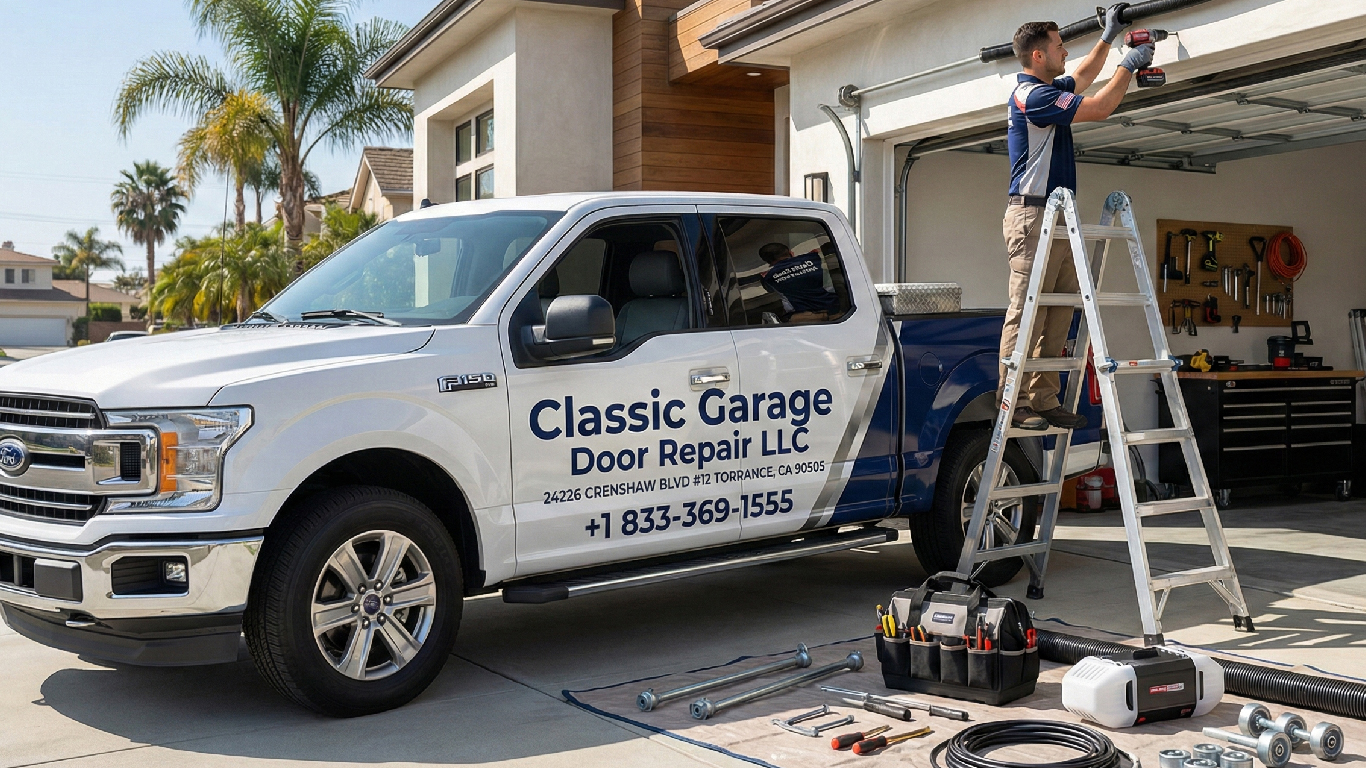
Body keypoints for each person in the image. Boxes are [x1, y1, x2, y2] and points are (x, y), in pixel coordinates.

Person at [999, 8, 1155, 430]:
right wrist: (1130, 63)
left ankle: (1043, 397)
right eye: (1058, 46)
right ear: (1037, 56)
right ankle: (1012, 400)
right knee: (1027, 310)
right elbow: (1100, 106)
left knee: (1058, 309)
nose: (1065, 51)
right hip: (1032, 216)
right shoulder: (1034, 97)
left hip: (1055, 215)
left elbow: (1083, 78)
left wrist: (1108, 37)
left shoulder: (1047, 87)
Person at [758, 242, 839, 322]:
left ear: (768, 262)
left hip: (804, 319)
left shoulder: (768, 277)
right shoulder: (815, 257)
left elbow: (770, 289)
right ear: (790, 252)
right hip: (836, 311)